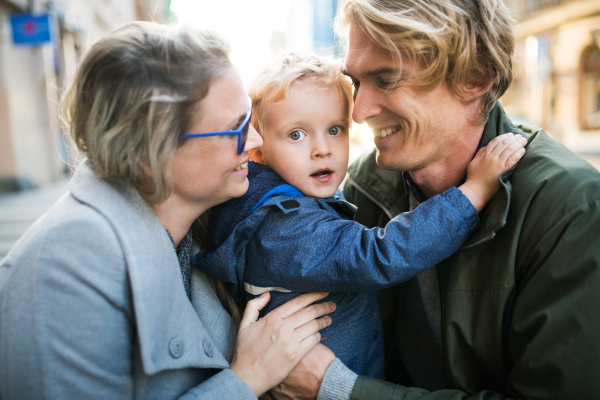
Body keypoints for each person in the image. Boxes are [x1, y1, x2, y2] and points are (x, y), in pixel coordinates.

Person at [273, 0, 600, 399]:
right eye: (357, 82)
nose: (359, 111)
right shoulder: (358, 186)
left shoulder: (571, 209)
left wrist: (341, 390)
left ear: (475, 77)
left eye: (386, 79)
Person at [0, 22, 337, 400]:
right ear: (151, 154)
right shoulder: (63, 271)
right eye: (234, 129)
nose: (255, 141)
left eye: (250, 120)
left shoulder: (204, 224)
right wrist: (248, 379)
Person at [193, 52, 526, 381]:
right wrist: (474, 193)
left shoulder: (292, 199)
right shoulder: (283, 225)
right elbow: (379, 255)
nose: (321, 148)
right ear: (259, 153)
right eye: (296, 134)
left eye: (334, 129)